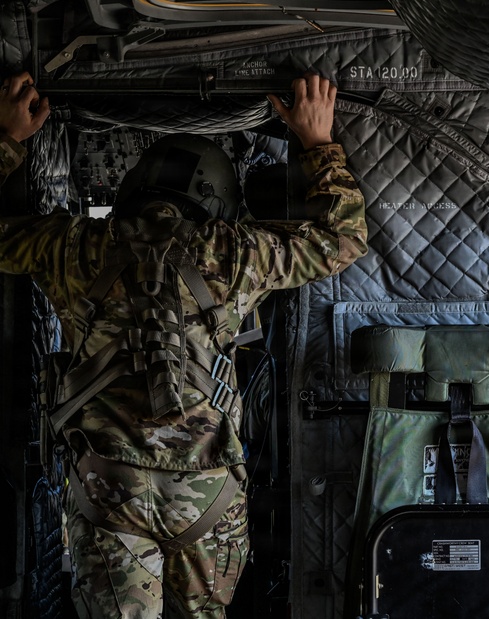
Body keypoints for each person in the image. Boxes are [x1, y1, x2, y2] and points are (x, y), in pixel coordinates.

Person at [0, 71, 368, 617]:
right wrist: (318, 141)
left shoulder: (70, 243)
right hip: (208, 489)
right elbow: (344, 239)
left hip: (107, 487)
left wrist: (7, 140)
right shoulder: (236, 250)